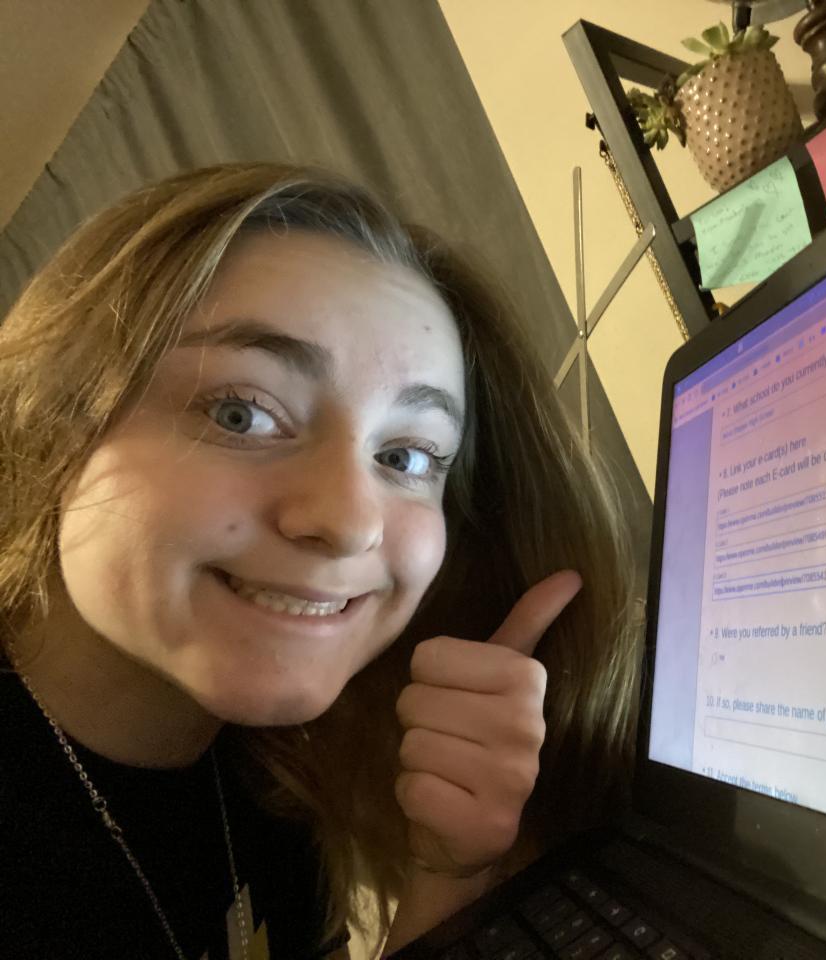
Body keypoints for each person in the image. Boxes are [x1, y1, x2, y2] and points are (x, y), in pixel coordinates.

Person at [0, 162, 642, 958]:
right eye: (242, 412)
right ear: (53, 419)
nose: (348, 523)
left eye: (406, 457)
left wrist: (447, 879)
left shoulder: (273, 783)